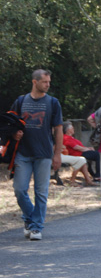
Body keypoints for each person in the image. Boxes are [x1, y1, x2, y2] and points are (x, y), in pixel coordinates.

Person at [11, 69, 63, 241]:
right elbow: (10, 124)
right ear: (35, 82)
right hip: (23, 153)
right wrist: (14, 134)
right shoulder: (20, 101)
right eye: (44, 82)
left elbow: (58, 129)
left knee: (41, 192)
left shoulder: (53, 102)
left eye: (49, 81)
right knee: (19, 190)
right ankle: (30, 218)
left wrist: (57, 154)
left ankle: (35, 227)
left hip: (44, 154)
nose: (48, 84)